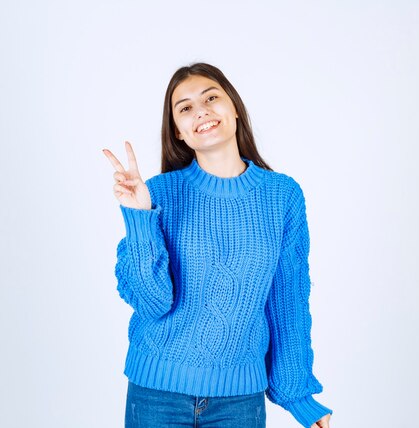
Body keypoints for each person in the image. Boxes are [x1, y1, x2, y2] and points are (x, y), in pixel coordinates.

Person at [103, 62, 333, 428]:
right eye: (185, 108)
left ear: (235, 108)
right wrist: (139, 218)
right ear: (178, 132)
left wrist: (299, 396)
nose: (202, 112)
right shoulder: (158, 193)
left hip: (239, 402)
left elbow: (288, 300)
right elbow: (151, 302)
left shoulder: (282, 195)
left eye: (211, 98)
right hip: (156, 394)